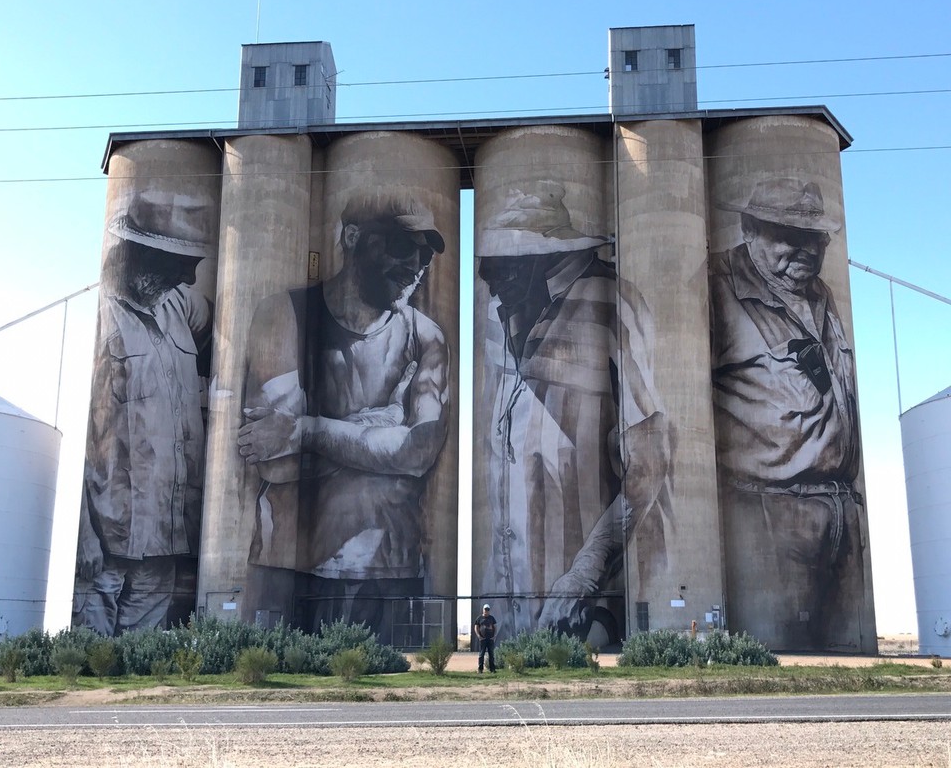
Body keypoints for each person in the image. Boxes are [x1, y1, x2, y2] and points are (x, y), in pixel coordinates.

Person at [237, 194, 450, 644]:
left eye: (424, 253)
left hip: (391, 568)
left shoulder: (425, 335)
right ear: (353, 238)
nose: (415, 263)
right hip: (291, 568)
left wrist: (305, 430)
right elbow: (273, 462)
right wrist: (386, 421)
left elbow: (418, 452)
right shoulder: (286, 316)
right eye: (399, 244)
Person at [476, 181, 672, 641]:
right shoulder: (501, 313)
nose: (486, 276)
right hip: (511, 594)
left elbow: (652, 461)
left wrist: (584, 577)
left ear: (542, 258)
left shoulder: (612, 301)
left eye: (501, 262)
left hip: (585, 598)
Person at [710, 176, 868, 650]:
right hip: (769, 516)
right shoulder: (715, 286)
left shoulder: (822, 295)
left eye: (814, 237)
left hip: (843, 511)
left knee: (846, 660)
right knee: (781, 654)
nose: (805, 249)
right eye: (788, 235)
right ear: (749, 228)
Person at [73, 191, 214, 636]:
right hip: (108, 545)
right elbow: (82, 431)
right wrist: (84, 536)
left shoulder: (175, 307)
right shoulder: (100, 318)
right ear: (143, 255)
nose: (191, 276)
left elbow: (215, 316)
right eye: (181, 262)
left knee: (140, 662)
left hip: (166, 539)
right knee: (91, 659)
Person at [474, 603, 497, 673]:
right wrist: (479, 636)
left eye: (488, 610)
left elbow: (495, 627)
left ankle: (492, 669)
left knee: (491, 654)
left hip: (490, 639)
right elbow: (476, 627)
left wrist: (494, 636)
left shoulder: (492, 618)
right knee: (481, 654)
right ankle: (480, 669)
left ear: (489, 610)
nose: (486, 611)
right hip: (482, 639)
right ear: (483, 610)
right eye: (485, 609)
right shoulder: (479, 618)